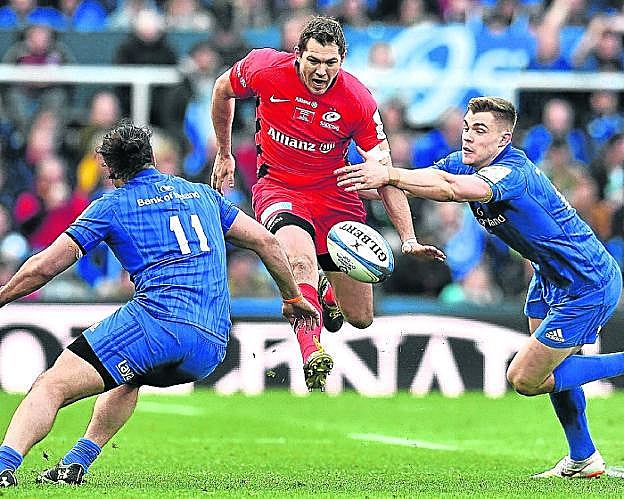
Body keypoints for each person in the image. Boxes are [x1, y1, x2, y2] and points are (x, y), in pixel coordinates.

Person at [0, 121, 319, 488]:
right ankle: (75, 463)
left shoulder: (111, 205)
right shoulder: (203, 194)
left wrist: (4, 295)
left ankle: (3, 465)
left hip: (158, 324)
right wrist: (292, 296)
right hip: (212, 342)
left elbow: (45, 266)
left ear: (110, 170)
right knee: (129, 376)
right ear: (151, 157)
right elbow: (266, 241)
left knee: (51, 385)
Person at [335, 96, 624, 479]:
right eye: (467, 127)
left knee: (526, 378)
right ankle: (583, 457)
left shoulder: (511, 174)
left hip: (587, 281)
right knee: (550, 370)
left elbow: (450, 188)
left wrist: (388, 174)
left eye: (480, 130)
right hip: (549, 275)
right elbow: (418, 182)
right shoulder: (465, 162)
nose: (468, 136)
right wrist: (346, 179)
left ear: (503, 139)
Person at [210, 15, 444, 390]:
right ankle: (311, 350)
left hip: (336, 198)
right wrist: (224, 153)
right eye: (314, 61)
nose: (321, 72)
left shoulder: (358, 100)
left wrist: (409, 238)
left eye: (330, 63)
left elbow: (385, 173)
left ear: (342, 60)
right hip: (279, 188)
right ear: (297, 54)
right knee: (300, 261)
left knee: (361, 317)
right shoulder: (264, 68)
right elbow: (222, 89)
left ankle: (327, 291)